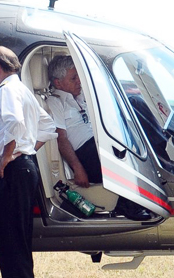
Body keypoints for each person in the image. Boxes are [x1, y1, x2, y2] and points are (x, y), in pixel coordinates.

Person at [0, 46, 57, 278]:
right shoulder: (23, 89)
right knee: (20, 241)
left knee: (10, 241)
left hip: (12, 172)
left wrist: (9, 155)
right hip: (25, 167)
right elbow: (48, 127)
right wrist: (26, 149)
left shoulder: (6, 90)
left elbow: (13, 122)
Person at [46, 55, 151, 220]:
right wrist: (78, 168)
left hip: (98, 143)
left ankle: (162, 148)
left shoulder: (79, 96)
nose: (79, 81)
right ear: (58, 83)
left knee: (135, 103)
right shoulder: (55, 102)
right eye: (74, 78)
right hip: (86, 153)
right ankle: (128, 205)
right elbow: (61, 139)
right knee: (119, 152)